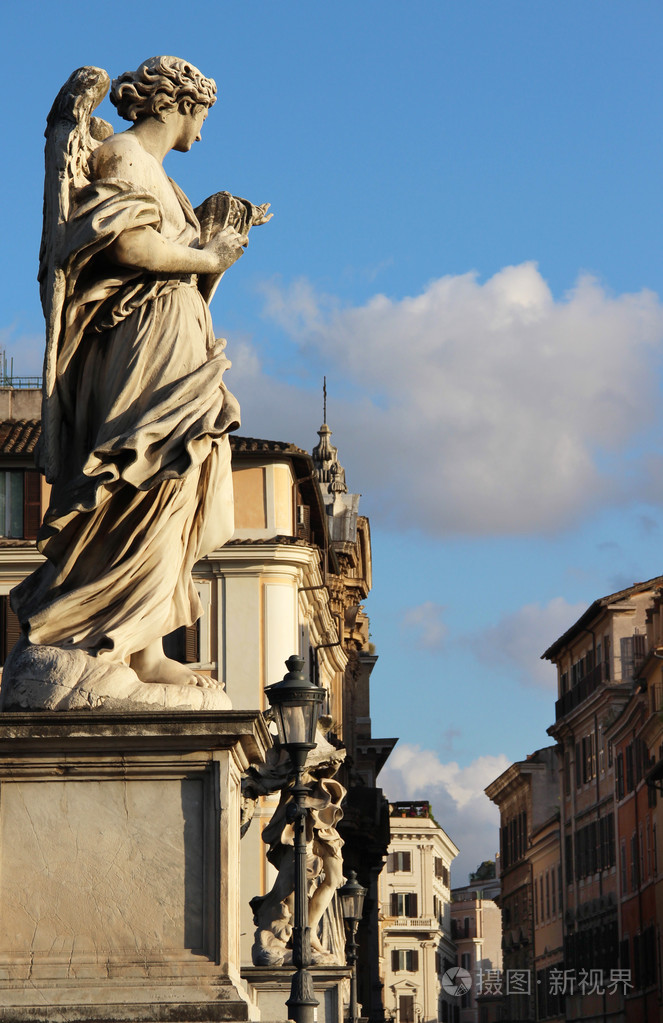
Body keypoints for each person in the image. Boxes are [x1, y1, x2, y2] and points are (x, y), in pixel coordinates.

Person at [10, 57, 267, 691]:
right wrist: (208, 256)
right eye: (201, 116)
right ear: (176, 104)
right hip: (144, 339)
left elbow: (173, 253)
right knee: (142, 476)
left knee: (175, 484)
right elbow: (126, 245)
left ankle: (143, 648)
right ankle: (106, 638)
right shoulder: (123, 156)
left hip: (178, 334)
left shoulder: (164, 180)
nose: (201, 132)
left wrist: (218, 245)